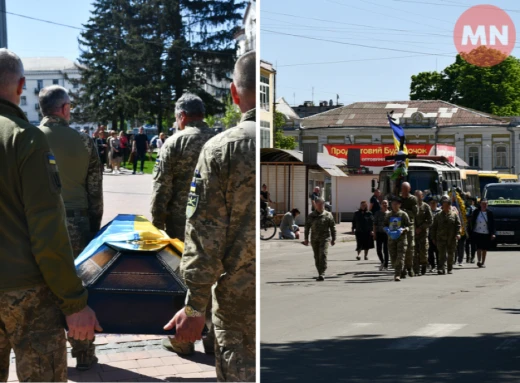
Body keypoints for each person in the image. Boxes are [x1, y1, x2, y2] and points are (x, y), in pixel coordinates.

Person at [0, 48, 101, 382]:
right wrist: (73, 302)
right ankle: (85, 354)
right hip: (27, 290)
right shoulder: (24, 139)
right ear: (22, 85)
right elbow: (46, 231)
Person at [163, 50, 256, 382]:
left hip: (239, 304)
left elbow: (206, 237)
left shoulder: (222, 148)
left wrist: (194, 307)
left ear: (234, 93)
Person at [38, 85, 104, 371]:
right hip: (78, 223)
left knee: (43, 288)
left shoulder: (29, 139)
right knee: (80, 289)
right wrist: (93, 227)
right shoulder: (85, 141)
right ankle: (85, 353)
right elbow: (95, 191)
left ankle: (49, 357)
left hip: (40, 223)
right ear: (64, 109)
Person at [151, 93, 217, 356]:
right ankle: (213, 340)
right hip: (217, 224)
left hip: (182, 225)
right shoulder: (219, 139)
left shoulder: (174, 143)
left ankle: (183, 339)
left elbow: (161, 190)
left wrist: (156, 228)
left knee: (185, 280)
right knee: (213, 279)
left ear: (181, 116)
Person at [304, 197, 337, 281]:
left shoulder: (328, 215)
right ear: (316, 205)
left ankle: (322, 273)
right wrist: (306, 239)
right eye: (319, 204)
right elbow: (307, 227)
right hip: (314, 239)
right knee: (317, 256)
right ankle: (320, 272)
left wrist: (334, 238)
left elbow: (333, 227)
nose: (321, 206)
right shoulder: (311, 216)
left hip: (325, 238)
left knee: (323, 254)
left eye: (322, 204)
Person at [430, 198, 461, 275]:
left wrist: (458, 233)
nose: (445, 207)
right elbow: (434, 227)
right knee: (442, 254)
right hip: (441, 238)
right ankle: (441, 268)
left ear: (449, 206)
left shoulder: (454, 215)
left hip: (452, 238)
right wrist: (433, 238)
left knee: (451, 254)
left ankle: (449, 268)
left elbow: (458, 225)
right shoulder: (438, 215)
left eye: (447, 205)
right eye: (443, 205)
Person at [384, 197, 411, 282]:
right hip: (391, 239)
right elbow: (384, 225)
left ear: (399, 204)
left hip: (401, 239)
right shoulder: (388, 215)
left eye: (396, 204)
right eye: (393, 204)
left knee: (400, 256)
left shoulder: (403, 214)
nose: (394, 206)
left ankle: (397, 274)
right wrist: (387, 230)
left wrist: (404, 229)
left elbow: (409, 225)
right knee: (393, 258)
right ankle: (402, 270)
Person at [400, 182, 418, 278]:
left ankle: (409, 267)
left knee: (410, 249)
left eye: (406, 190)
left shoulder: (413, 199)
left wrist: (405, 212)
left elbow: (415, 213)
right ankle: (401, 270)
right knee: (401, 249)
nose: (405, 192)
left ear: (409, 189)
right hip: (399, 226)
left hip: (409, 225)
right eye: (403, 190)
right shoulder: (398, 198)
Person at [470, 198, 496, 268]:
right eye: (483, 203)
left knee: (484, 248)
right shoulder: (476, 212)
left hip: (486, 232)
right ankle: (479, 261)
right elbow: (472, 221)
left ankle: (483, 262)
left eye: (485, 204)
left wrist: (493, 233)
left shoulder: (490, 213)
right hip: (477, 231)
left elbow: (492, 224)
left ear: (487, 204)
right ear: (480, 204)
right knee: (478, 247)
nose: (484, 205)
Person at [414, 190, 433, 276]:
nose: (417, 197)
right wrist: (414, 228)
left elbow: (430, 220)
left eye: (419, 196)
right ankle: (416, 270)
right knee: (414, 252)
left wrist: (421, 228)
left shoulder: (426, 207)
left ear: (422, 196)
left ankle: (424, 267)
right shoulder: (412, 207)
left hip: (423, 233)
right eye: (416, 196)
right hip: (413, 233)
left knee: (423, 251)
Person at [373, 199, 390, 271]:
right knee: (378, 250)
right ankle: (382, 261)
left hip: (387, 234)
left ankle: (386, 265)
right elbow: (374, 224)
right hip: (379, 233)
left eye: (386, 203)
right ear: (381, 205)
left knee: (386, 250)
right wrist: (374, 233)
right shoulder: (377, 213)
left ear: (388, 204)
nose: (384, 204)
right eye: (383, 203)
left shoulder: (390, 213)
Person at [427, 197, 441, 272]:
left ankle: (439, 265)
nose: (433, 204)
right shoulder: (427, 211)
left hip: (438, 234)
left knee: (438, 250)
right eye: (431, 203)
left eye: (434, 203)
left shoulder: (440, 211)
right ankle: (432, 266)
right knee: (430, 251)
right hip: (429, 233)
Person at [465, 196, 477, 263]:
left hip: (473, 227)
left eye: (471, 201)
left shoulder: (475, 209)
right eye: (468, 201)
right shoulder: (466, 208)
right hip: (467, 227)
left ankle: (472, 257)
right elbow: (466, 215)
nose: (470, 202)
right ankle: (468, 257)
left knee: (473, 244)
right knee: (467, 243)